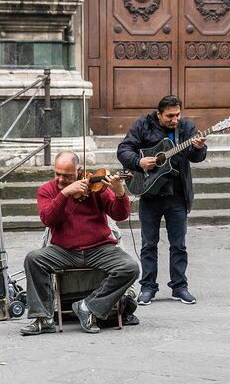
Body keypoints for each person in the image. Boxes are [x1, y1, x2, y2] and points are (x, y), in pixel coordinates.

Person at [20, 151, 139, 335]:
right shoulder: (46, 190)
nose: (60, 179)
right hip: (64, 250)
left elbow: (120, 215)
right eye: (57, 174)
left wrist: (120, 193)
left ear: (79, 170)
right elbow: (48, 220)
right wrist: (66, 193)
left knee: (130, 267)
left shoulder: (96, 185)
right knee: (34, 259)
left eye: (67, 176)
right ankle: (43, 317)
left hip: (100, 248)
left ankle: (88, 307)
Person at [116, 95, 207, 306]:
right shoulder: (143, 125)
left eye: (178, 115)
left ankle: (179, 287)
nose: (175, 120)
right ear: (159, 114)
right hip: (150, 193)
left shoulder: (186, 128)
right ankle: (148, 287)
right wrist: (139, 161)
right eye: (170, 116)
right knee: (149, 244)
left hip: (177, 194)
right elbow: (123, 150)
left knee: (179, 244)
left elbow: (196, 157)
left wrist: (199, 147)